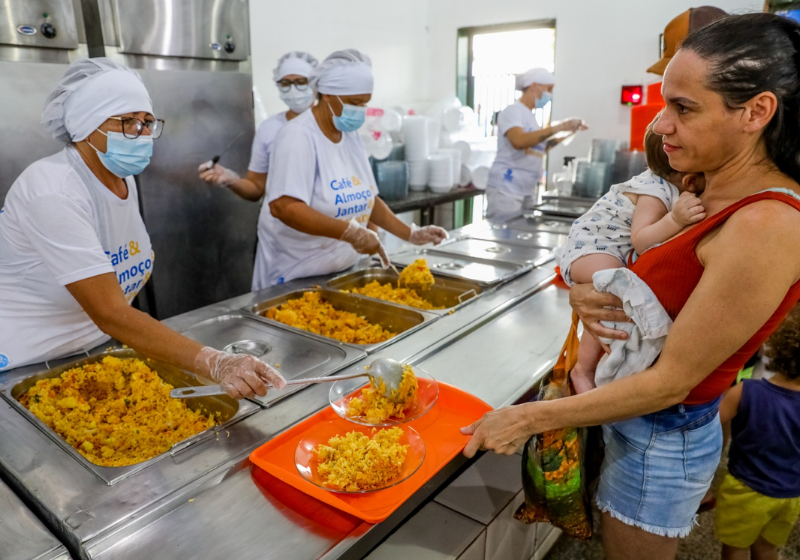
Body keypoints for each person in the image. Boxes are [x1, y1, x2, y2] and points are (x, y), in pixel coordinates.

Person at [461, 14, 800, 560]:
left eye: (683, 109)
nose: (661, 126)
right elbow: (650, 272)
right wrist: (586, 293)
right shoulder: (708, 189)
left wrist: (526, 417)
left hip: (662, 437)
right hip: (634, 420)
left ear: (757, 111)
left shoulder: (767, 225)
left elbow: (671, 382)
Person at [0, 58, 286, 400]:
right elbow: (110, 311)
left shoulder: (121, 178)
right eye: (127, 122)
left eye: (147, 122)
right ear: (85, 124)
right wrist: (215, 362)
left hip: (90, 353)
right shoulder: (52, 190)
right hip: (23, 367)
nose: (141, 133)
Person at [256, 49, 448, 289]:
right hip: (294, 277)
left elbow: (367, 197)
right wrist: (350, 233)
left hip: (340, 273)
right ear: (327, 95)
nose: (360, 110)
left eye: (365, 103)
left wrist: (410, 234)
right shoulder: (297, 136)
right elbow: (284, 207)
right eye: (354, 103)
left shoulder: (350, 136)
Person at [560, 117, 705, 393]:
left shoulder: (665, 186)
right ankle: (583, 370)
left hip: (603, 248)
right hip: (593, 247)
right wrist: (676, 218)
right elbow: (641, 240)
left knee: (612, 298)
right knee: (610, 299)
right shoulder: (655, 190)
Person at [713, 303, 800, 560]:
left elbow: (706, 426)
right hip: (791, 495)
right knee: (767, 548)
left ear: (773, 347)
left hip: (746, 490)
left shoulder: (746, 392)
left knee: (736, 548)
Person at [198, 51, 318, 201]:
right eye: (285, 83)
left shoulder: (331, 126)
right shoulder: (269, 128)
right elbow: (256, 189)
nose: (293, 89)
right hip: (276, 222)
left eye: (301, 82)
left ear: (315, 85)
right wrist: (231, 180)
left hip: (326, 221)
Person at [485, 67, 587, 221]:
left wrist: (569, 132)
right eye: (548, 89)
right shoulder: (513, 111)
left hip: (526, 188)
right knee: (503, 232)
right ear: (534, 86)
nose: (549, 95)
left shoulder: (530, 117)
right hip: (507, 188)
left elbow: (540, 147)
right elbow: (519, 141)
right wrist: (560, 126)